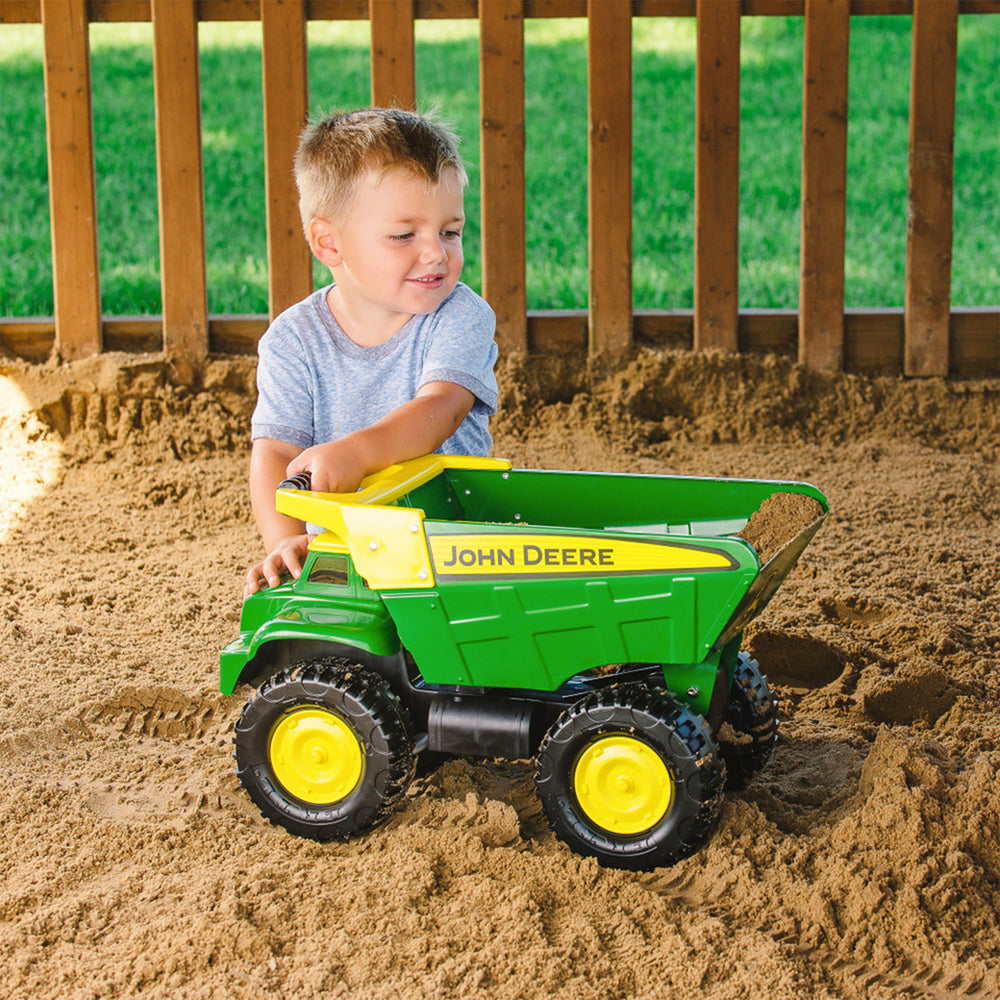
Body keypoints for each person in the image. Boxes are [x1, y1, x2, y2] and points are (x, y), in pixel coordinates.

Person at [245, 108, 498, 596]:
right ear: (329, 243)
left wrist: (357, 453)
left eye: (450, 231)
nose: (436, 253)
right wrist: (286, 540)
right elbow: (276, 451)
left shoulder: (459, 315)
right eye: (404, 235)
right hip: (342, 555)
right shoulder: (293, 340)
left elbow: (440, 407)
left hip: (451, 546)